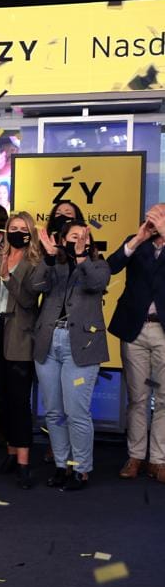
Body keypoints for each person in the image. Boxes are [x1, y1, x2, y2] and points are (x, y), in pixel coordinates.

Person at [32, 220, 111, 492]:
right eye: (72, 236)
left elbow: (96, 283)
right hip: (48, 342)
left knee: (76, 411)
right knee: (53, 411)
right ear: (62, 239)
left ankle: (81, 468)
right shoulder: (54, 265)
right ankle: (61, 465)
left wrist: (81, 257)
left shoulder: (98, 265)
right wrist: (48, 258)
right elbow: (35, 285)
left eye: (83, 236)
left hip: (82, 345)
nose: (78, 240)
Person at [0, 211, 42, 489]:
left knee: (19, 401)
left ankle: (24, 462)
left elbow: (28, 301)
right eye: (13, 227)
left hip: (20, 335)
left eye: (22, 229)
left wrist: (7, 278)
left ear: (30, 233)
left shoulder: (36, 262)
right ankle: (11, 454)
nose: (16, 232)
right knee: (1, 398)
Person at [108, 203, 165, 482]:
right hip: (135, 329)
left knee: (164, 398)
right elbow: (111, 266)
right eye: (150, 215)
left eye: (159, 215)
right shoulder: (137, 242)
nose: (152, 219)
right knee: (137, 397)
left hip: (163, 331)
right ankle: (136, 456)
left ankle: (159, 459)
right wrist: (138, 239)